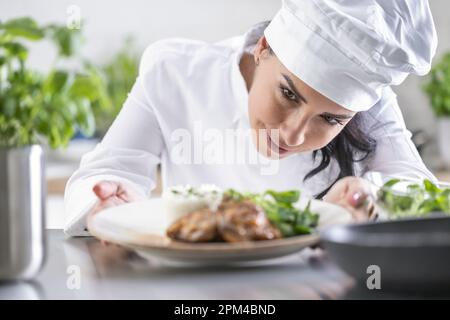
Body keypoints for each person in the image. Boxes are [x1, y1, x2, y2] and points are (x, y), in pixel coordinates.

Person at [64, 0, 438, 236]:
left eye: (330, 119)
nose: (293, 133)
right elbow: (107, 171)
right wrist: (107, 201)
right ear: (263, 48)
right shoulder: (175, 72)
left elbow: (417, 190)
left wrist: (370, 193)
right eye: (288, 94)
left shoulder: (374, 107)